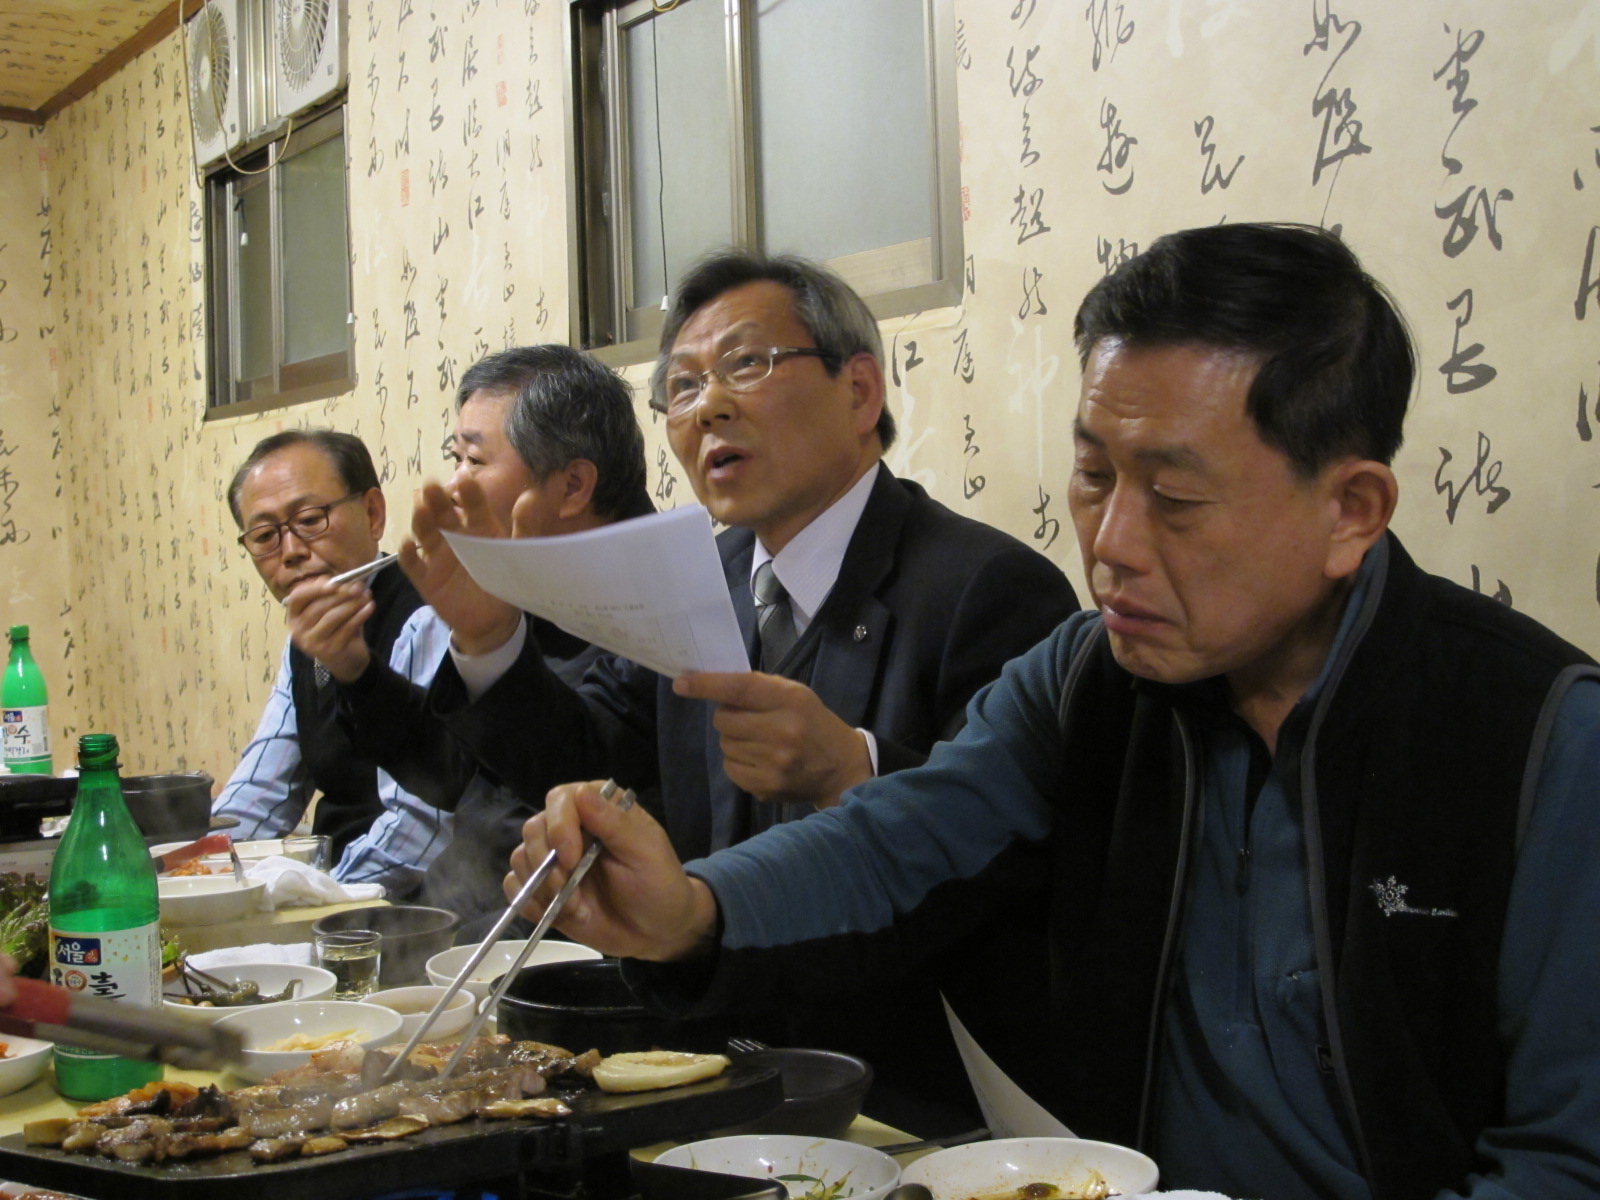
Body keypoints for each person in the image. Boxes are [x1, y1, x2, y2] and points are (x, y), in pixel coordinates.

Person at [508, 224, 1600, 1200]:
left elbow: (1569, 1158)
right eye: (1091, 476)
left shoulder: (1536, 740)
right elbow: (898, 838)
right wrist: (692, 910)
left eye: (1174, 496)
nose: (1110, 543)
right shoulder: (1090, 676)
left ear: (1351, 509)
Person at [404, 250, 1079, 1129]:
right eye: (682, 387)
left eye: (747, 364)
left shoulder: (986, 585)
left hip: (912, 1094)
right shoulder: (696, 576)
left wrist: (855, 766)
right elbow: (592, 750)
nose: (708, 407)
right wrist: (491, 638)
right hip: (716, 1065)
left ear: (860, 392)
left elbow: (1026, 856)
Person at [341, 344, 654, 936]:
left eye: (475, 461)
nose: (454, 485)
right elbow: (456, 775)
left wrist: (488, 638)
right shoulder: (533, 576)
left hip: (555, 943)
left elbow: (582, 783)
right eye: (454, 457)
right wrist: (354, 668)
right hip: (468, 910)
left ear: (573, 485)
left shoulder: (658, 603)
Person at [214, 430, 450, 897]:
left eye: (309, 520)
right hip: (337, 886)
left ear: (373, 513)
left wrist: (319, 899)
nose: (291, 551)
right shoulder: (309, 635)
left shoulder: (425, 615)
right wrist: (198, 869)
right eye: (265, 536)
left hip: (417, 905)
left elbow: (423, 827)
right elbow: (263, 789)